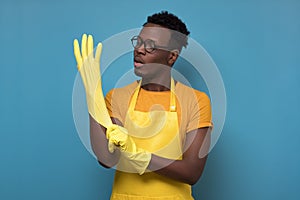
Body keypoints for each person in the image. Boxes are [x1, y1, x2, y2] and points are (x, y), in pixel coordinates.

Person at [74, 11, 213, 200]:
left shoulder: (195, 101)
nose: (139, 49)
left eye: (151, 46)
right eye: (138, 42)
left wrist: (140, 156)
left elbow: (191, 172)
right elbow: (107, 159)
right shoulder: (118, 97)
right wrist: (93, 97)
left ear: (171, 57)